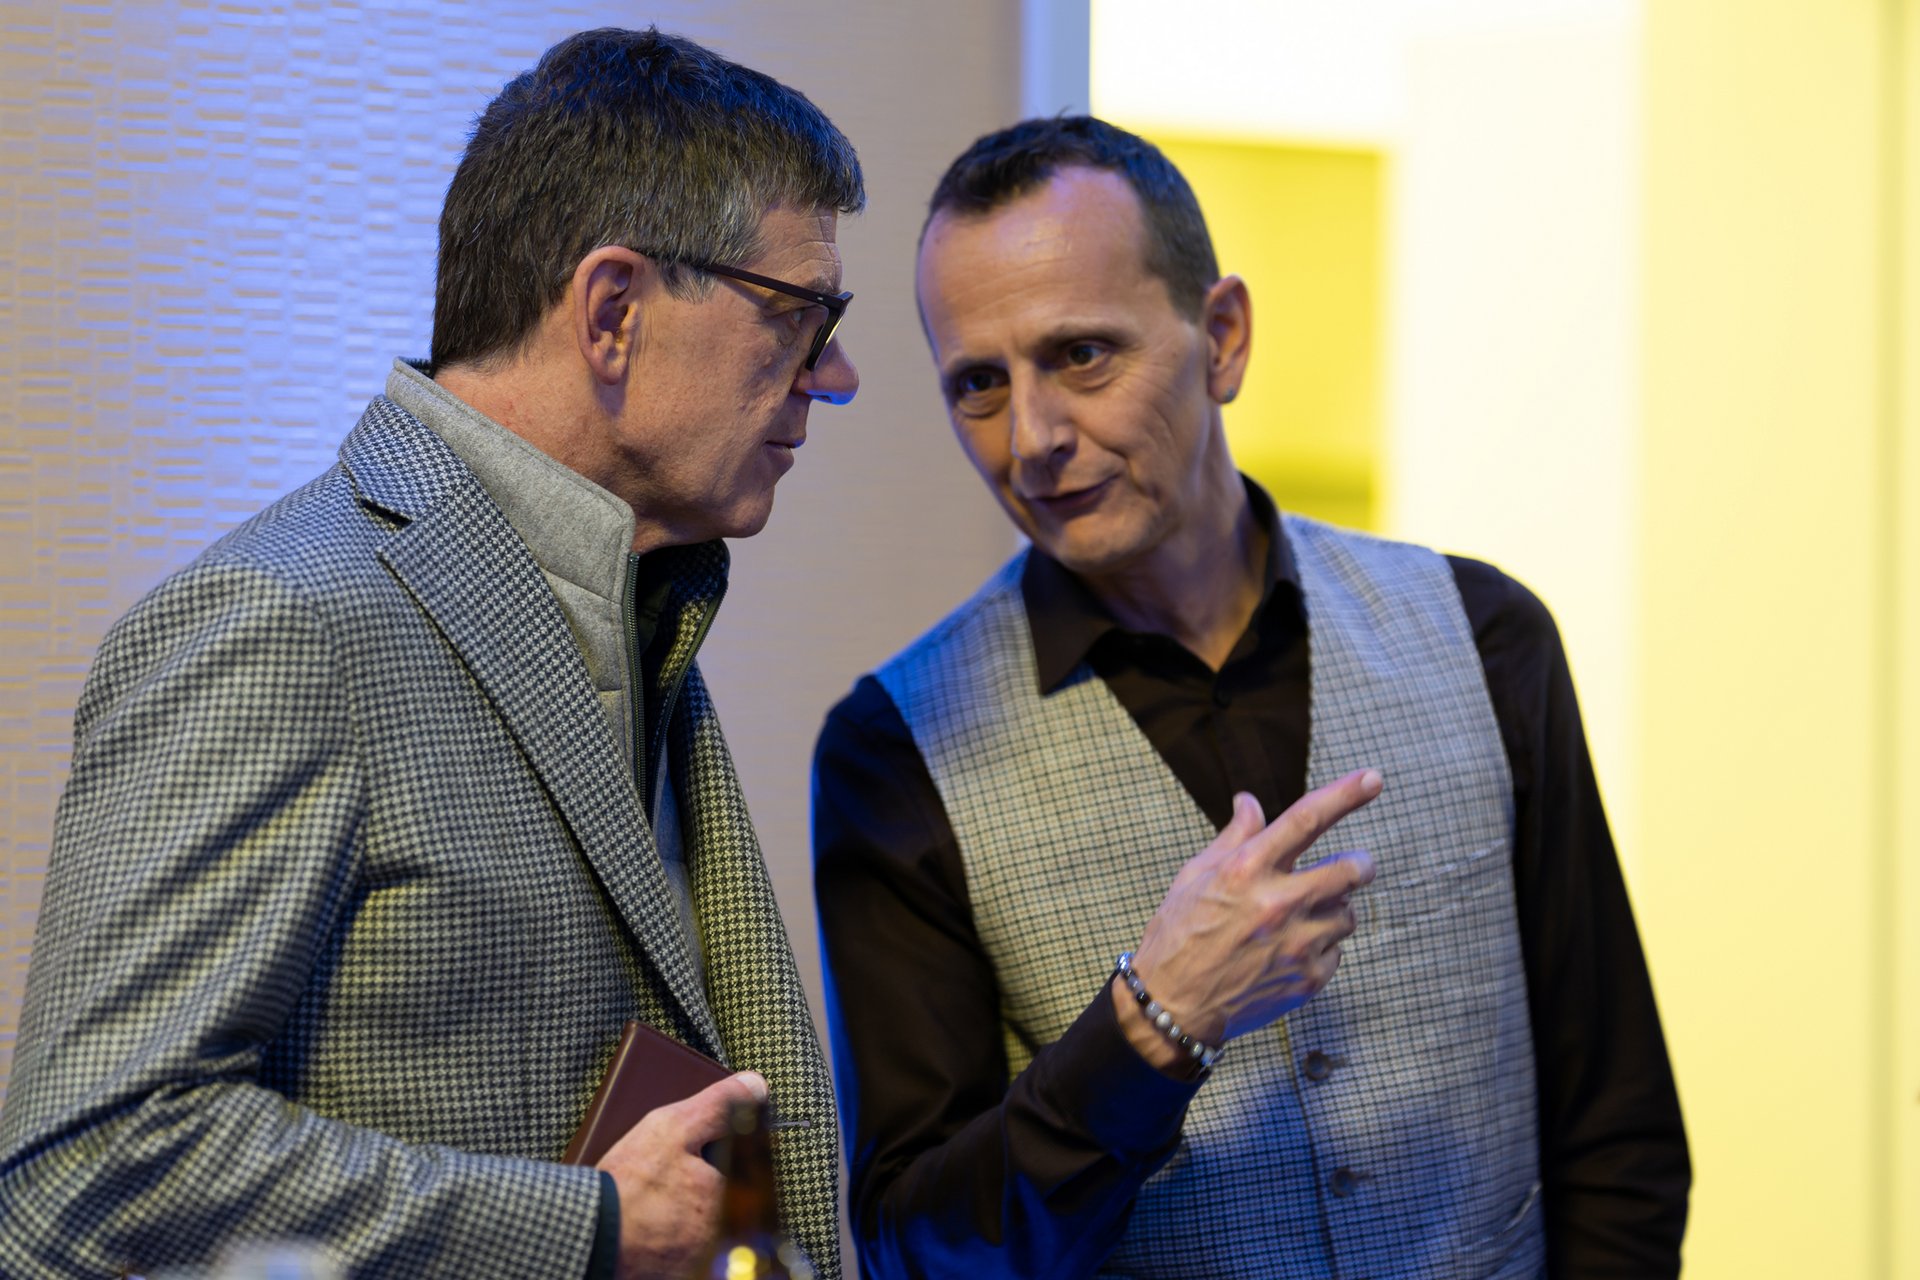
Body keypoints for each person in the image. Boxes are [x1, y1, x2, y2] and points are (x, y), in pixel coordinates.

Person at [0, 28, 860, 1280]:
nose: (836, 375)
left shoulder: (640, 594)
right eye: (801, 314)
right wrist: (588, 1226)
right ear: (613, 312)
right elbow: (87, 1162)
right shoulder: (279, 619)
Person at [813, 116, 1689, 1279]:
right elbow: (918, 1246)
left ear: (1221, 338)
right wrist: (1150, 1022)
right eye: (980, 383)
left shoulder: (1490, 637)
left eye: (1083, 354)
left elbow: (1617, 1131)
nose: (1033, 436)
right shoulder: (892, 752)